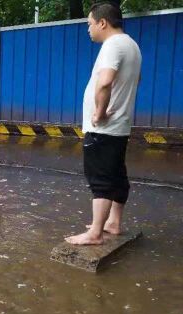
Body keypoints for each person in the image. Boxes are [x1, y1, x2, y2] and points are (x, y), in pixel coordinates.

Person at [65, 3, 141, 245]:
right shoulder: (131, 45)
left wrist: (98, 113)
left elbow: (105, 82)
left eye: (89, 24)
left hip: (104, 128)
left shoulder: (113, 45)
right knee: (116, 173)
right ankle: (114, 223)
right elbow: (135, 80)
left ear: (102, 23)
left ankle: (95, 233)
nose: (88, 29)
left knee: (99, 178)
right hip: (119, 125)